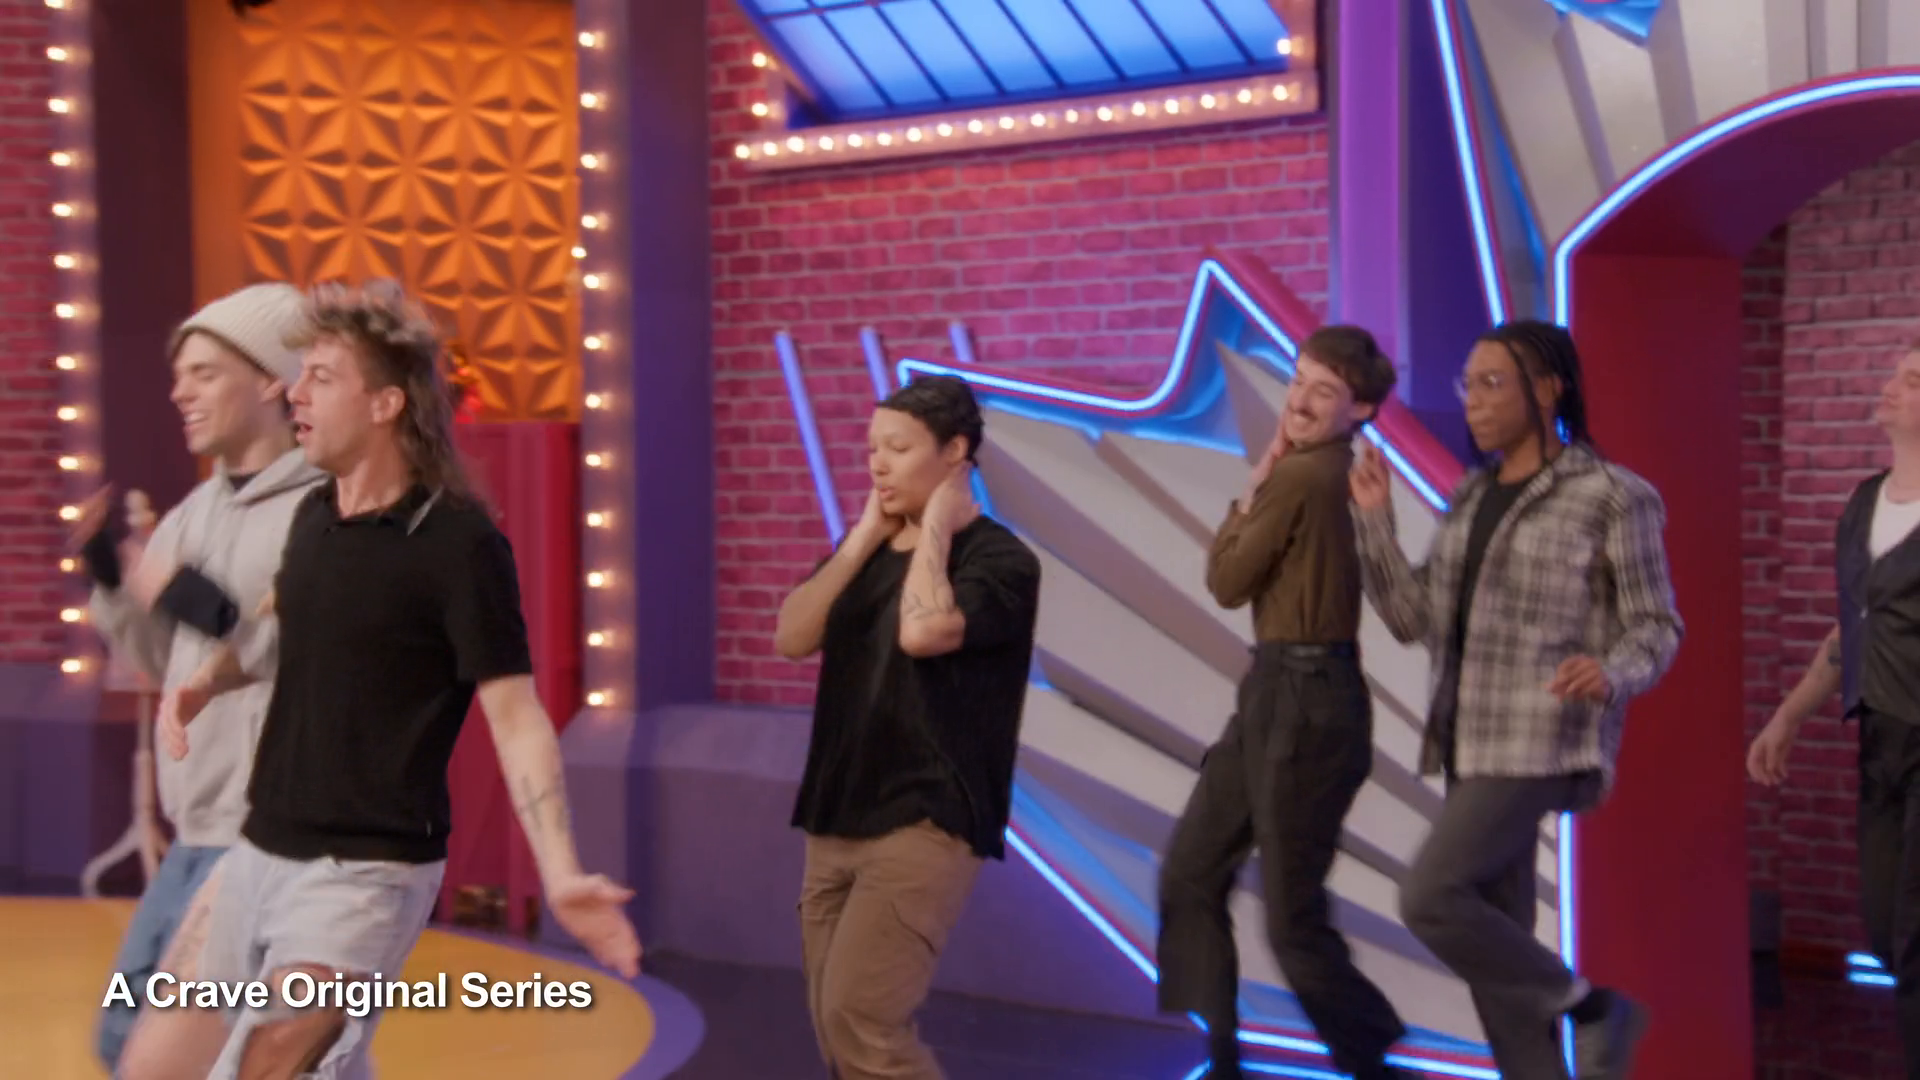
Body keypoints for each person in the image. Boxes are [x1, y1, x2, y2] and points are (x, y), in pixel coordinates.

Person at [154, 280, 640, 1079]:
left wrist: (559, 873)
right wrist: (210, 678)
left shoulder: (457, 543)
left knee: (266, 1065)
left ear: (385, 404)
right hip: (260, 849)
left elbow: (516, 717)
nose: (294, 393)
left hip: (366, 874)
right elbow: (291, 625)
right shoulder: (315, 516)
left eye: (320, 377)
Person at [1349, 319, 1682, 1080]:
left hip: (1543, 735)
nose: (1473, 400)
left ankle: (1592, 1006)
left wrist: (1612, 671)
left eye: (1492, 383)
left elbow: (1657, 625)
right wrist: (1374, 525)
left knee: (1430, 896)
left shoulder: (1614, 496)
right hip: (1467, 739)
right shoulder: (1471, 497)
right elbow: (1412, 619)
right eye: (1468, 384)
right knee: (1497, 954)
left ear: (1547, 390)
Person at [73, 282, 324, 1074]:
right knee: (127, 1034)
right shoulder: (193, 513)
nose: (180, 392)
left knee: (201, 1048)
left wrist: (187, 595)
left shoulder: (323, 510)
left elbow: (300, 647)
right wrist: (110, 579)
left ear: (273, 381)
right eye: (179, 374)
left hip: (267, 838)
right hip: (199, 828)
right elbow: (165, 663)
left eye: (205, 373)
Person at [1155, 326, 1410, 1080]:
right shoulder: (1321, 469)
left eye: (1323, 391)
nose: (1298, 400)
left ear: (1360, 408)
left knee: (1288, 919)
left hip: (1306, 699)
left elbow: (1227, 582)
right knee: (1192, 873)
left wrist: (1256, 483)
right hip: (1283, 690)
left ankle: (1375, 1062)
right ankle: (1225, 1058)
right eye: (1298, 381)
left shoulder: (1303, 476)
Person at [772, 374, 1041, 1080]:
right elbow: (792, 636)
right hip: (836, 809)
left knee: (861, 1018)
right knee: (836, 1029)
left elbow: (922, 633)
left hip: (925, 815)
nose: (877, 465)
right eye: (872, 449)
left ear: (954, 452)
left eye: (897, 448)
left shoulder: (1001, 561)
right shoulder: (863, 550)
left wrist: (938, 530)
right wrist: (864, 535)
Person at [1749, 345, 1920, 1077]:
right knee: (1884, 932)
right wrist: (1788, 716)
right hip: (1880, 741)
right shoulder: (1863, 503)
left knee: (1914, 941)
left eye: (1913, 380)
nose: (1891, 387)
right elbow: (1849, 629)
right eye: (1897, 373)